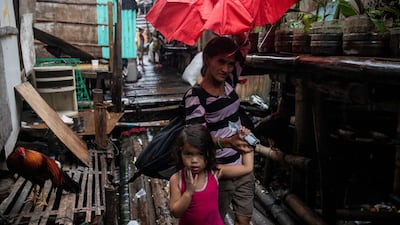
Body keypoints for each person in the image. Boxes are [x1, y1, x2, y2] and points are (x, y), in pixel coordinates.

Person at [184, 36, 255, 225]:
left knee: (244, 220)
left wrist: (240, 35)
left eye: (230, 64)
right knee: (214, 219)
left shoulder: (230, 79)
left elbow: (244, 49)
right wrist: (226, 142)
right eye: (221, 61)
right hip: (219, 171)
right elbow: (196, 141)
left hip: (243, 163)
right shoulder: (196, 96)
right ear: (207, 58)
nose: (226, 69)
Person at [169, 124, 253, 225]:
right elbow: (175, 213)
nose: (194, 160)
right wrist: (188, 192)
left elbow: (247, 167)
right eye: (188, 154)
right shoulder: (177, 179)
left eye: (200, 154)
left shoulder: (214, 172)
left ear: (209, 153)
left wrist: (246, 140)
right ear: (180, 153)